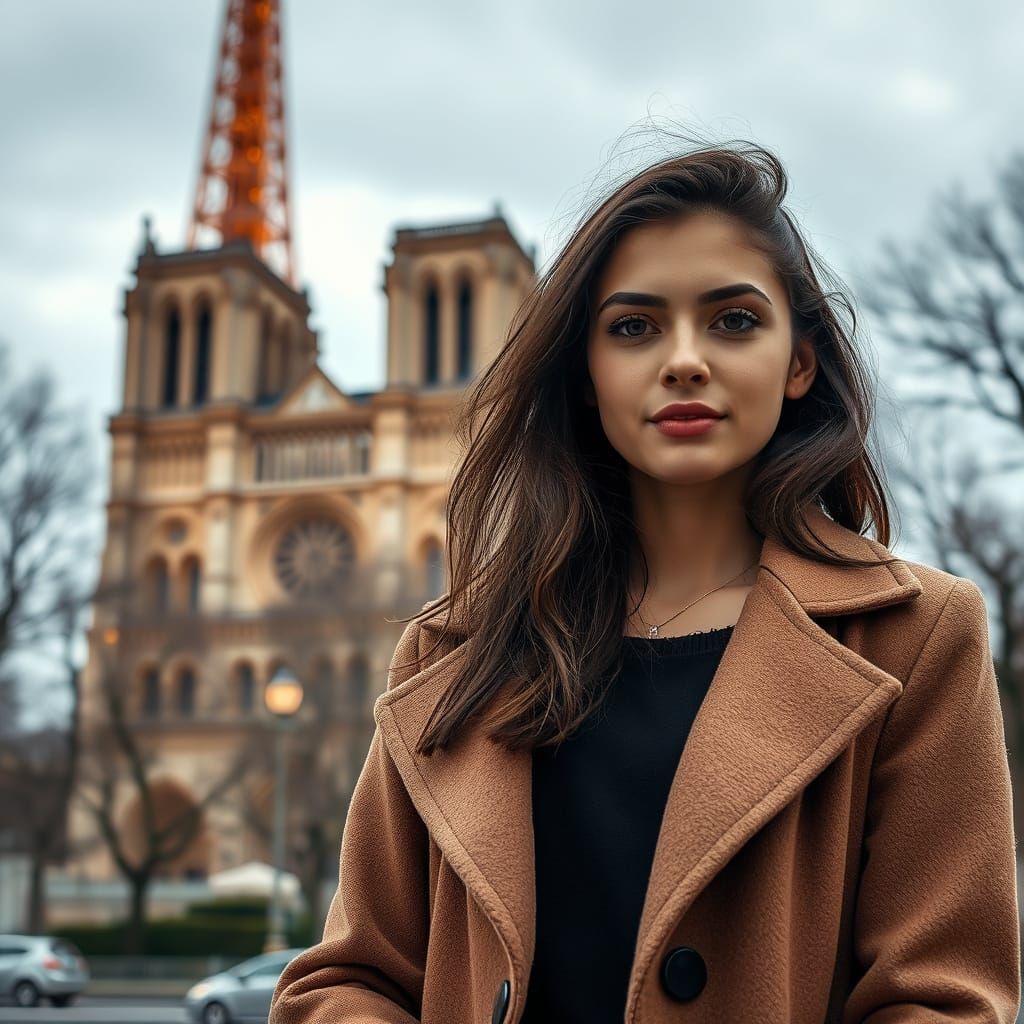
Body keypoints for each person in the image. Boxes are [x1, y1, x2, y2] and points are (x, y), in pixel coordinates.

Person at [269, 136, 1021, 1023]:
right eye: (633, 327)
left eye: (734, 319)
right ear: (587, 376)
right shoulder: (452, 649)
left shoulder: (918, 635)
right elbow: (345, 980)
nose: (684, 359)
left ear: (800, 362)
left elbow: (943, 997)